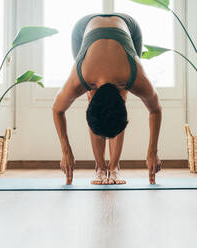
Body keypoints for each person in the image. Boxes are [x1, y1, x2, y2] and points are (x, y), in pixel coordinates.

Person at [52, 13, 162, 185]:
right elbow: (57, 110)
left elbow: (156, 109)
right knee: (93, 99)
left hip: (128, 28)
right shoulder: (81, 76)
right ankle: (101, 168)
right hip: (83, 29)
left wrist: (152, 152)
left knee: (118, 102)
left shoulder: (134, 74)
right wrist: (66, 152)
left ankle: (114, 167)